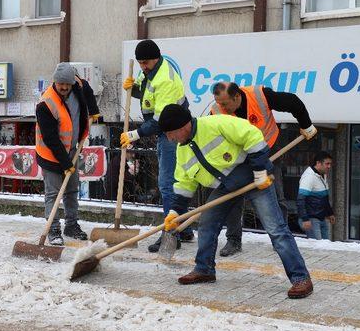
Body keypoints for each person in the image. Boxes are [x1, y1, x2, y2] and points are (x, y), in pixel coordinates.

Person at [160, 104, 313, 299]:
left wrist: (259, 172)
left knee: (276, 229)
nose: (169, 138)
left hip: (254, 177)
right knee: (207, 224)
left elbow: (253, 136)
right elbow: (184, 184)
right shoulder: (182, 151)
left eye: (170, 133)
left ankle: (301, 278)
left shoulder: (217, 124)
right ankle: (204, 269)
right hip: (226, 186)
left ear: (183, 126)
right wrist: (174, 213)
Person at [211, 82, 317, 257]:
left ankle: (282, 240)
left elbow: (293, 102)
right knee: (233, 197)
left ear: (237, 97)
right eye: (219, 103)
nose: (221, 107)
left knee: (275, 193)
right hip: (239, 157)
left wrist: (306, 125)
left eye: (225, 103)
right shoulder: (215, 112)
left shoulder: (260, 96)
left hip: (268, 151)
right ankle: (233, 240)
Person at [122, 39, 193, 253]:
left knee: (167, 183)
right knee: (172, 181)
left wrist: (134, 134)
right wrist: (134, 89)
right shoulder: (151, 71)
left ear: (157, 57)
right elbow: (147, 94)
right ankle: (183, 229)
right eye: (140, 63)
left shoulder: (166, 79)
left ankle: (171, 234)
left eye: (146, 63)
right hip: (166, 130)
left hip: (174, 132)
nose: (143, 67)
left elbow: (161, 120)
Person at [35, 63, 99, 245]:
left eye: (67, 84)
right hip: (51, 154)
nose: (63, 87)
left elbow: (87, 90)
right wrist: (65, 163)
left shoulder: (78, 85)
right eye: (60, 84)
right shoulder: (46, 103)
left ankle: (71, 225)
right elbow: (51, 138)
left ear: (73, 83)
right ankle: (53, 230)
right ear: (54, 81)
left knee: (71, 190)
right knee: (53, 194)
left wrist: (94, 111)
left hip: (71, 150)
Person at [297, 151, 335, 240]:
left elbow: (324, 197)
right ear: (318, 163)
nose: (329, 166)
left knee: (325, 245)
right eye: (327, 164)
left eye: (330, 164)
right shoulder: (309, 177)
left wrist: (330, 213)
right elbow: (300, 200)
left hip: (321, 217)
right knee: (317, 247)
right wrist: (305, 219)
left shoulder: (322, 175)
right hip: (312, 218)